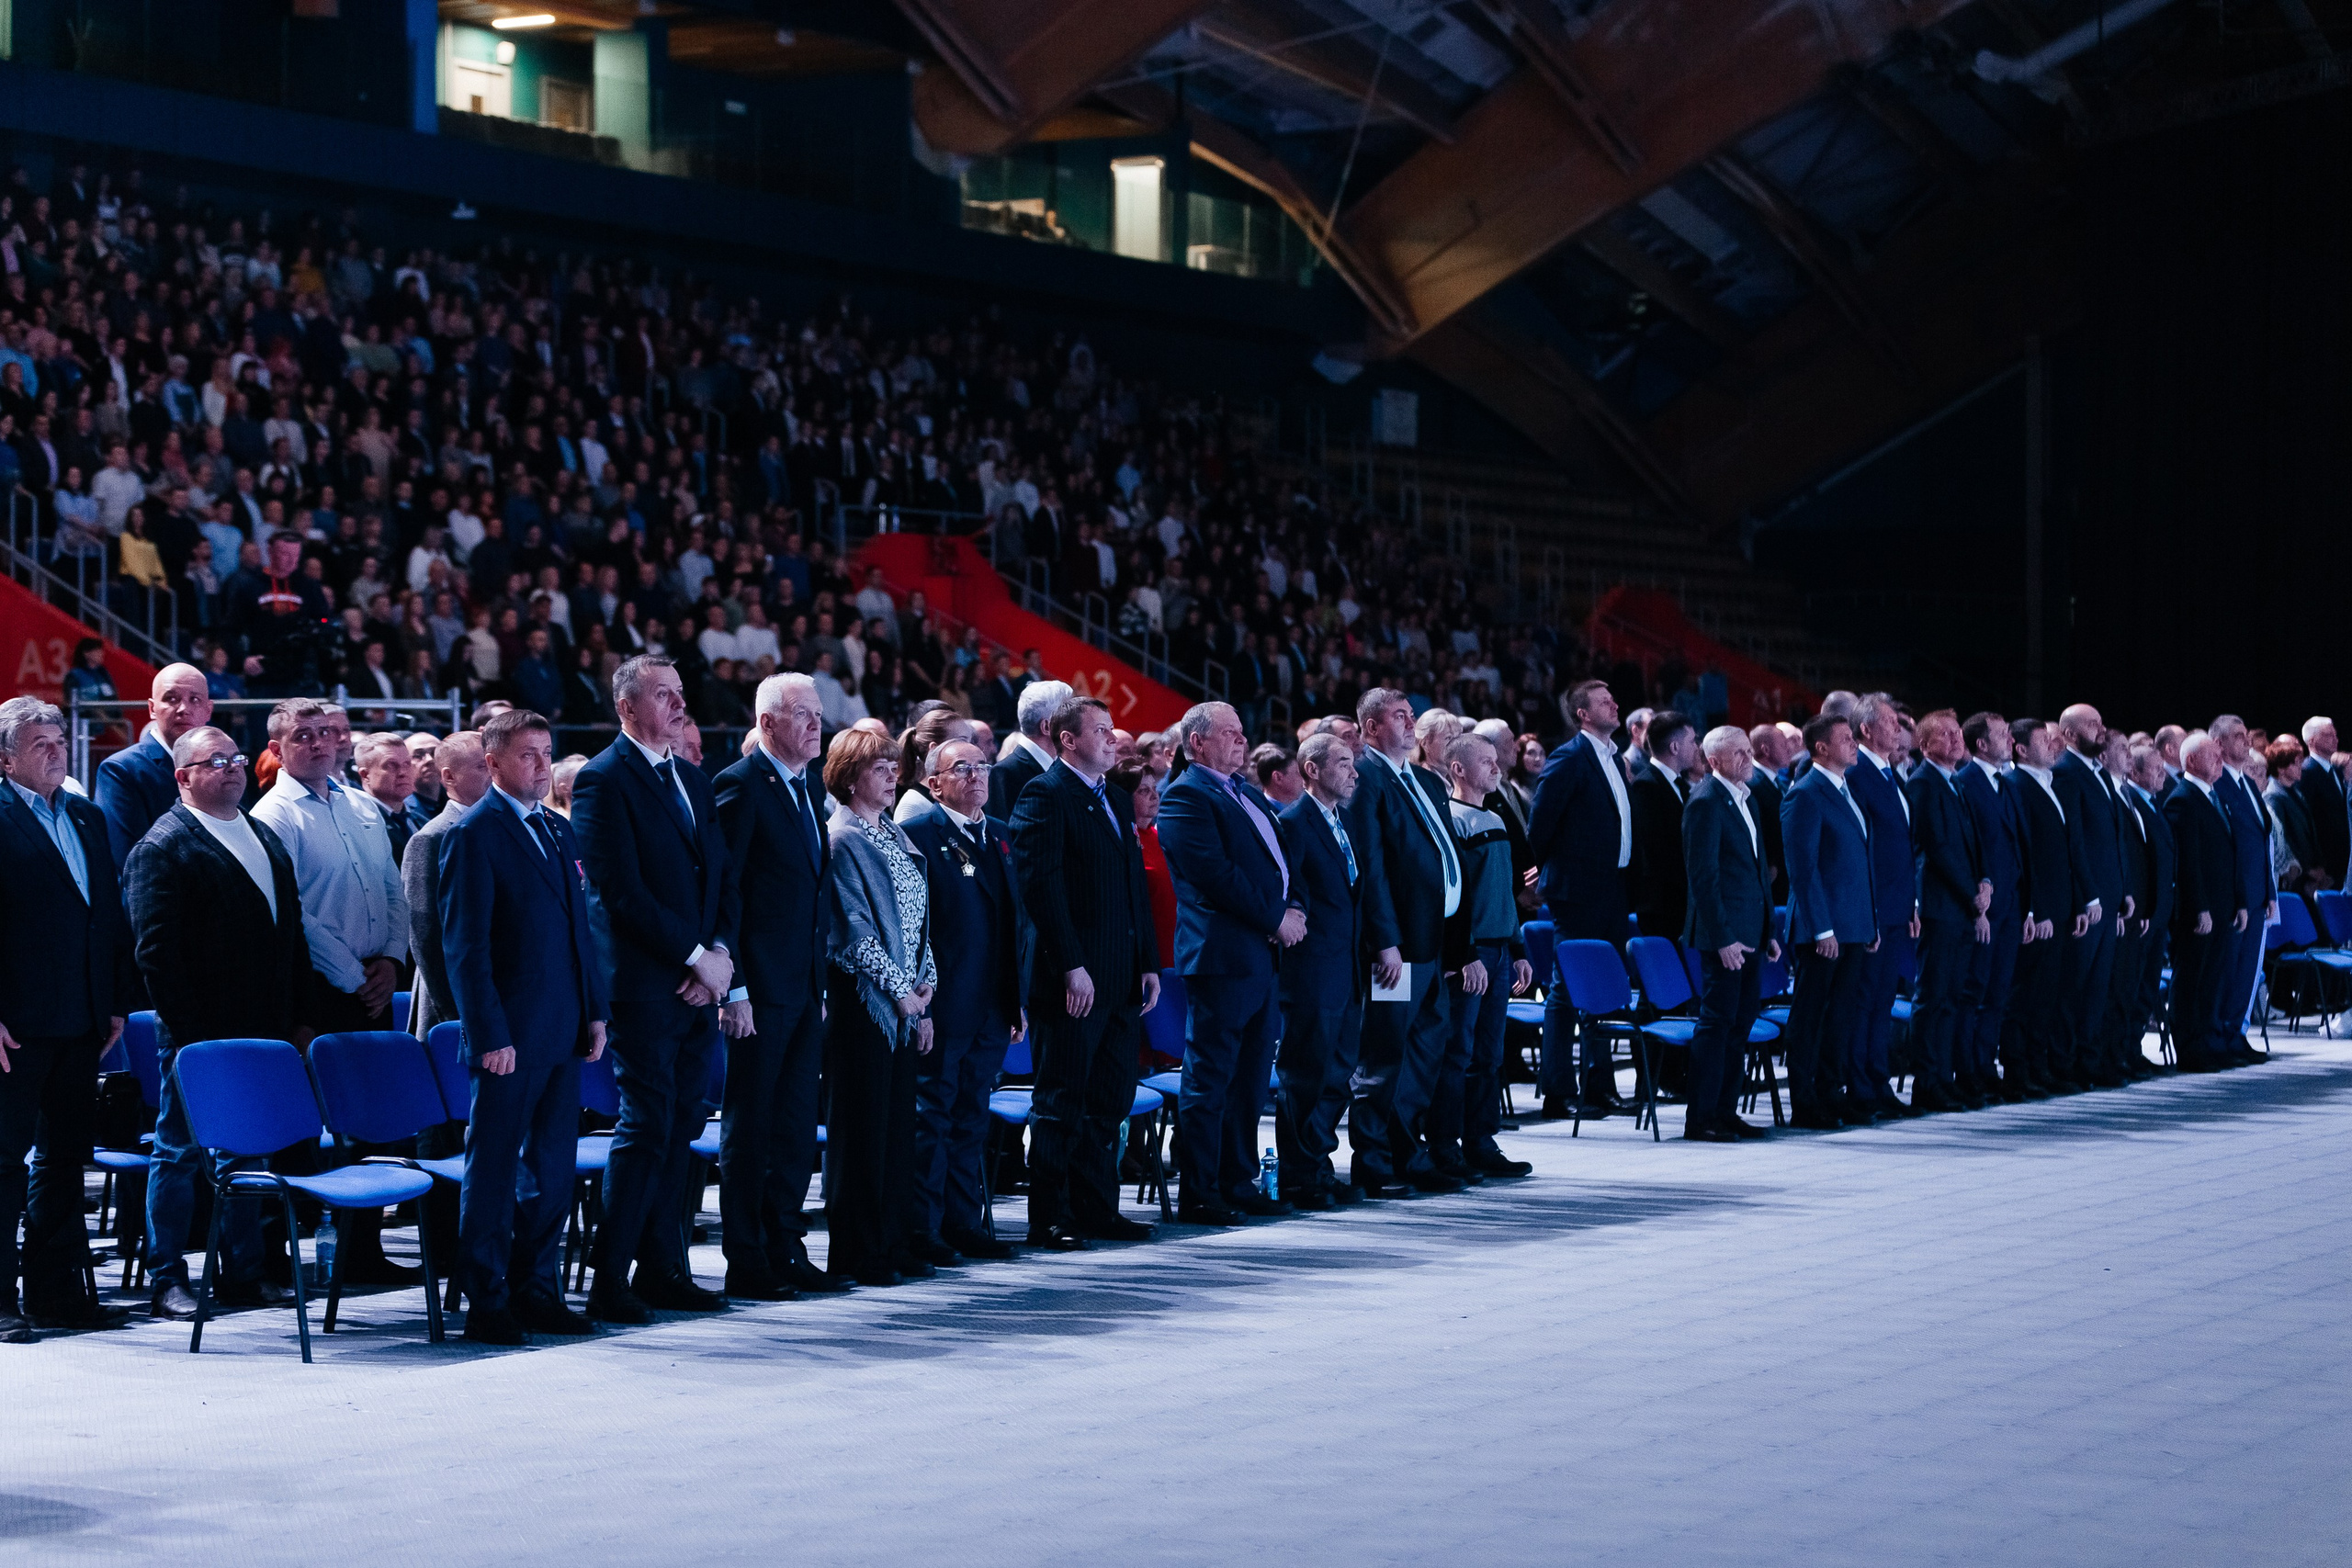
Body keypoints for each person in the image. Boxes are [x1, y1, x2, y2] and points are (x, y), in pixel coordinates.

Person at [570, 655, 741, 1322]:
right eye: (663, 695)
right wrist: (694, 957)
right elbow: (619, 890)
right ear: (627, 707)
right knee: (645, 1128)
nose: (678, 704)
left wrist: (718, 955)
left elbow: (720, 877)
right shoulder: (602, 779)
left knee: (682, 1125)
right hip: (644, 987)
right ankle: (610, 1277)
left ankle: (663, 1267)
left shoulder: (693, 778)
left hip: (699, 981)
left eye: (680, 693)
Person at [126, 726, 308, 1320]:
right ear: (183, 776)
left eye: (235, 758)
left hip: (262, 1029)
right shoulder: (162, 845)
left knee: (247, 1153)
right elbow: (156, 955)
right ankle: (166, 1277)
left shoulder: (260, 832)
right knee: (179, 1153)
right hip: (197, 1037)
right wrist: (193, 1039)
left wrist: (296, 1017)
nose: (232, 768)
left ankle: (245, 1272)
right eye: (216, 761)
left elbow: (289, 933)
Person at [438, 711, 608, 1343]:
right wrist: (489, 1034)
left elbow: (580, 931)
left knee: (552, 1167)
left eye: (546, 753)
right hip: (508, 1036)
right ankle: (486, 1297)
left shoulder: (558, 830)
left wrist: (595, 1009)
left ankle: (538, 1287)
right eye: (527, 755)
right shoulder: (473, 834)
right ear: (493, 764)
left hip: (562, 1027)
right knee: (494, 1169)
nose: (541, 765)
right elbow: (466, 949)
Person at [250, 697, 414, 1281]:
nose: (320, 743)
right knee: (298, 1127)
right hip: (317, 989)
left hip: (375, 980)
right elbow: (295, 914)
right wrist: (354, 978)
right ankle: (278, 1260)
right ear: (277, 749)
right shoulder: (274, 815)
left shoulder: (362, 806)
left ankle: (361, 1251)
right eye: (304, 735)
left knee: (371, 1119)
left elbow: (392, 889)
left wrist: (391, 960)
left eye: (326, 732)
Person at [1006, 694, 1161, 1251]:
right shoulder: (1044, 793)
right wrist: (1072, 964)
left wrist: (1147, 962)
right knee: (1062, 1100)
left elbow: (1134, 888)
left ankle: (1097, 1208)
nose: (1112, 737)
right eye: (1100, 729)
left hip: (1121, 976)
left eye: (1112, 727)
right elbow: (1041, 890)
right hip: (1073, 980)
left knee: (1109, 1100)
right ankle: (1049, 1215)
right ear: (1067, 739)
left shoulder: (1114, 798)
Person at [0, 698, 131, 1338]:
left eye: (59, 740)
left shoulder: (85, 813)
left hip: (82, 1017)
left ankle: (55, 1293)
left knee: (64, 1160)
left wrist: (114, 1000)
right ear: (5, 760)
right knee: (3, 1162)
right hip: (15, 1023)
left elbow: (106, 912)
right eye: (40, 744)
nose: (57, 751)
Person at [710, 673, 843, 1301]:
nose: (818, 725)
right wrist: (733, 987)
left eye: (818, 714)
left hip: (803, 986)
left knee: (792, 1127)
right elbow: (726, 894)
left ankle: (786, 1245)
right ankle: (747, 1258)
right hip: (757, 991)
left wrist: (820, 982)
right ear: (767, 723)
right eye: (804, 715)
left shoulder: (807, 785)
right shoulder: (739, 786)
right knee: (751, 1128)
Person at [1158, 701, 1304, 1224]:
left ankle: (1238, 1180)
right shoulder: (1185, 797)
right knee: (1211, 1076)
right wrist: (1276, 918)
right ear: (1197, 743)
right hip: (1222, 957)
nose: (1243, 740)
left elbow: (1284, 862)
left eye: (1242, 732)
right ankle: (1201, 1191)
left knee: (1250, 1079)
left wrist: (1295, 906)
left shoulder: (1244, 793)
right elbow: (1216, 875)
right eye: (1230, 733)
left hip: (1261, 956)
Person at [899, 736, 1028, 1262]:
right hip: (945, 1002)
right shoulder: (917, 835)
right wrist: (922, 1005)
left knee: (973, 1117)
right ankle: (924, 1229)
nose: (976, 776)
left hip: (992, 1005)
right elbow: (913, 930)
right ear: (934, 784)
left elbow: (1012, 922)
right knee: (931, 1117)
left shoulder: (999, 833)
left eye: (981, 767)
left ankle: (964, 1222)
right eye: (962, 769)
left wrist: (1015, 1001)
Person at [820, 728, 938, 1286]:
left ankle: (892, 1241)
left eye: (895, 768)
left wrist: (925, 985)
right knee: (862, 1132)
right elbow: (855, 931)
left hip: (904, 1004)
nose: (894, 777)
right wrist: (899, 991)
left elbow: (918, 920)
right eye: (880, 770)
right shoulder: (842, 838)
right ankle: (857, 1251)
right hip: (865, 1003)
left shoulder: (892, 832)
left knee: (895, 1130)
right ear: (849, 778)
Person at [1346, 686, 1462, 1194]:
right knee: (1384, 1054)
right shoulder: (1364, 778)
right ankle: (1373, 1162)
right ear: (1372, 728)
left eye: (1411, 714)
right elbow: (1370, 868)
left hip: (1431, 944)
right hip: (1394, 951)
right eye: (1399, 716)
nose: (1411, 723)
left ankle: (1407, 1154)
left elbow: (1445, 861)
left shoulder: (1425, 780)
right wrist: (1384, 942)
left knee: (1424, 1054)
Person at [1527, 679, 1633, 1119]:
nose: (1615, 705)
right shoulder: (1569, 757)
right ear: (1583, 715)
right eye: (1605, 702)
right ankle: (1557, 1090)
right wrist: (1542, 868)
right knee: (1568, 988)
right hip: (1577, 890)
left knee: (1603, 987)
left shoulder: (1614, 758)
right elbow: (1541, 821)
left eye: (1613, 698)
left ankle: (1599, 1085)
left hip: (1612, 887)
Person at [1274, 732, 1369, 1208]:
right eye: (1344, 763)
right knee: (1306, 1074)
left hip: (1347, 967)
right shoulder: (1294, 823)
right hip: (1311, 968)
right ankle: (1299, 1174)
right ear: (1312, 770)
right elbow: (1291, 891)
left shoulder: (1342, 820)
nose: (1354, 772)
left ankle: (1320, 1165)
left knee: (1338, 1073)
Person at [1439, 731, 1534, 1177]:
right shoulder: (1452, 819)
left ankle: (1481, 1141)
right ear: (1458, 769)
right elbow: (1456, 898)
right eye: (1486, 761)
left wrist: (1518, 948)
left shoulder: (1495, 816)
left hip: (1500, 951)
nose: (1497, 768)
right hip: (1472, 956)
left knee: (1489, 1054)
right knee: (1457, 1051)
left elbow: (1504, 893)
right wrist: (1466, 953)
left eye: (1497, 760)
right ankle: (1445, 1144)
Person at [1780, 711, 1877, 1130]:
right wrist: (1822, 928)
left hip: (1852, 925)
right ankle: (1805, 1102)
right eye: (1845, 739)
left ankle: (1831, 1093)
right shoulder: (1806, 794)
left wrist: (1869, 922)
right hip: (1823, 929)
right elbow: (1804, 871)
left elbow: (1859, 862)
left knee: (1840, 1016)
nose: (1854, 744)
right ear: (1821, 748)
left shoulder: (1845, 788)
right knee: (1811, 1017)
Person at [1680, 726, 1778, 1142]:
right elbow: (1704, 878)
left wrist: (1769, 929)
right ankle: (1701, 1117)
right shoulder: (1705, 801)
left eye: (1748, 750)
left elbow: (1756, 869)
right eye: (1738, 753)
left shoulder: (1746, 798)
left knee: (1740, 1023)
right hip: (1725, 936)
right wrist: (1722, 938)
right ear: (1714, 760)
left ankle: (1726, 1111)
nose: (1748, 758)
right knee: (1717, 1023)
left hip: (1751, 930)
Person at [1905, 711, 1990, 1112]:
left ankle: (1945, 1077)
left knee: (1953, 997)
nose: (1957, 739)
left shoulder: (1954, 782)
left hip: (1961, 906)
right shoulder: (1923, 783)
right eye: (1945, 734)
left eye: (1958, 733)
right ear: (1924, 746)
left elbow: (1973, 842)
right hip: (1941, 905)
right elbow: (1937, 848)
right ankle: (1927, 1082)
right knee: (1934, 996)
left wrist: (1985, 881)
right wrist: (1972, 894)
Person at [1846, 694, 1920, 1116]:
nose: (1899, 729)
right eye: (1891, 722)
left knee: (1881, 1002)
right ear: (1866, 729)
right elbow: (1866, 851)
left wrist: (1911, 903)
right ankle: (1860, 1087)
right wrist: (1872, 911)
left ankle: (1878, 1083)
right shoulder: (1858, 773)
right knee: (1865, 1003)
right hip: (1874, 909)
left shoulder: (1890, 774)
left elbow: (1902, 847)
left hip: (1896, 907)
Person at [2007, 718, 2084, 1094]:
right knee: (2026, 994)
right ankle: (2019, 1070)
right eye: (2044, 740)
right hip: (2039, 911)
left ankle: (2040, 1065)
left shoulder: (2048, 783)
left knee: (2048, 994)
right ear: (2021, 749)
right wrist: (2034, 909)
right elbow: (2027, 854)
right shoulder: (2017, 784)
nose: (2055, 746)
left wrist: (2077, 903)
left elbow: (2066, 851)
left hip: (2061, 907)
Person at [2052, 705, 2127, 1088]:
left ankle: (2089, 1060)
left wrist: (2123, 890)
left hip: (2109, 897)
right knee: (2075, 987)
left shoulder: (2098, 774)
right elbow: (2075, 842)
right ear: (2068, 734)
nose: (2101, 729)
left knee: (2098, 986)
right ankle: (2065, 1064)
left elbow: (2112, 839)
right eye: (2092, 724)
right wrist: (2090, 896)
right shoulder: (2066, 772)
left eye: (2100, 722)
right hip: (2089, 901)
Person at [2164, 732, 2245, 1073]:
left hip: (2222, 906)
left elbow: (2230, 854)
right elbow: (2188, 862)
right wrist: (2199, 908)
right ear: (2192, 761)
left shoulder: (2214, 796)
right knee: (2192, 979)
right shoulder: (2183, 799)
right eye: (2213, 755)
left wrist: (2240, 902)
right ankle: (2190, 1048)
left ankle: (2209, 1041)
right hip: (2200, 911)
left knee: (2213, 979)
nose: (2221, 761)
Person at [1958, 713, 2029, 1101]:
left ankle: (1986, 1067)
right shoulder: (1965, 782)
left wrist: (2027, 907)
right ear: (1982, 744)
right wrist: (1978, 905)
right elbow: (1970, 846)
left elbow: (2020, 847)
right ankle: (1968, 1070)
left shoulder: (2006, 782)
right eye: (2002, 735)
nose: (2010, 740)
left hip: (2011, 904)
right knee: (1975, 991)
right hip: (1983, 905)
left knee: (1998, 992)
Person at [401, 732, 489, 1043]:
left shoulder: (500, 828)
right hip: (454, 1009)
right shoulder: (432, 838)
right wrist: (453, 1014)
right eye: (482, 766)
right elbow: (426, 935)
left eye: (496, 763)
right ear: (449, 777)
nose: (495, 774)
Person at [94, 661, 212, 869]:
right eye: (171, 699)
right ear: (152, 709)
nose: (184, 709)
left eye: (195, 699)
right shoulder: (121, 770)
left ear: (208, 710)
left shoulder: (222, 763)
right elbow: (130, 862)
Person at [2207, 716, 2276, 1063]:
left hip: (2257, 895)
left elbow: (2262, 842)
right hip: (2234, 898)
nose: (2246, 741)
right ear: (2218, 744)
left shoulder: (2247, 783)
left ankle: (2235, 1033)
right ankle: (2218, 1036)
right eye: (2237, 736)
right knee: (2226, 970)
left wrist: (2270, 893)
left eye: (2246, 735)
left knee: (2247, 971)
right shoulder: (2216, 784)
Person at [2124, 742, 2180, 1075]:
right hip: (2143, 912)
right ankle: (2125, 1052)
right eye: (2156, 769)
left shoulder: (2153, 802)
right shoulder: (2131, 801)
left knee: (2146, 985)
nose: (2164, 775)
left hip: (2159, 910)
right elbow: (2136, 862)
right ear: (2134, 772)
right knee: (2133, 985)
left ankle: (2134, 1050)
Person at [1628, 710, 1697, 941]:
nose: (1696, 747)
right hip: (1663, 906)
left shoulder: (1682, 786)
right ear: (1675, 747)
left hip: (1682, 901)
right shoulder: (1646, 786)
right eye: (1692, 741)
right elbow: (1655, 851)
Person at [988, 678, 1071, 820]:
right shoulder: (1005, 773)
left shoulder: (1063, 767)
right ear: (1047, 727)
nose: (1076, 724)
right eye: (1070, 717)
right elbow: (1005, 830)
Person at [2293, 716, 2347, 887]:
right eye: (2328, 735)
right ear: (2312, 741)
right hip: (2325, 865)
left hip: (2344, 861)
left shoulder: (2337, 771)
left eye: (2335, 734)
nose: (2335, 739)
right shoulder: (2306, 772)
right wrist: (2313, 866)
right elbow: (2304, 823)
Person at [353, 731, 422, 865]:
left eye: (407, 764)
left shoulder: (421, 820)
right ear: (365, 775)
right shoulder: (358, 825)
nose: (403, 772)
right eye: (390, 765)